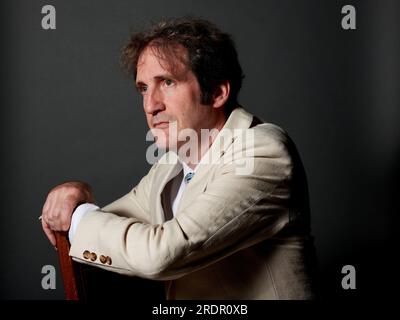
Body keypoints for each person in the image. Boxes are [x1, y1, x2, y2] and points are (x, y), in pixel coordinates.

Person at [41, 17, 317, 299]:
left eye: (168, 82)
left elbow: (159, 255)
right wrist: (78, 193)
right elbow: (107, 236)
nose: (150, 105)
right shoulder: (171, 166)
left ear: (218, 92)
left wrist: (75, 216)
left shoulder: (262, 151)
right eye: (144, 88)